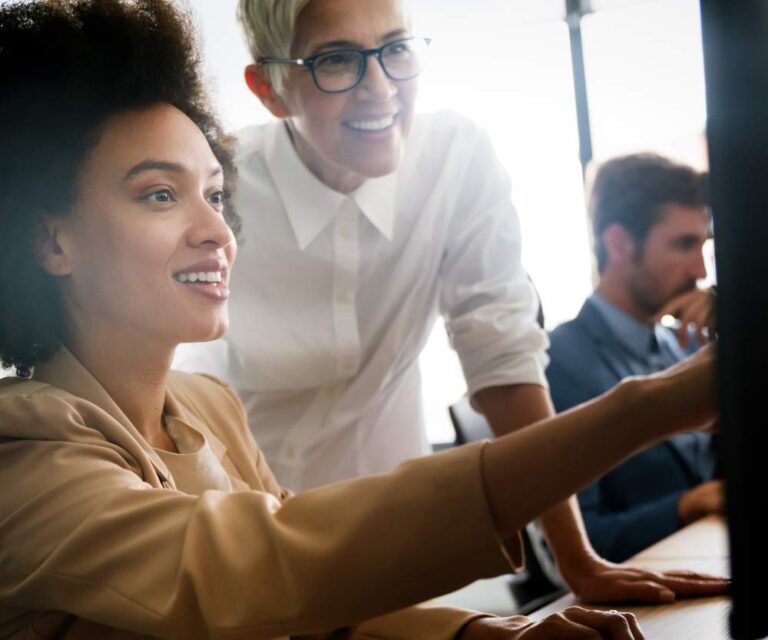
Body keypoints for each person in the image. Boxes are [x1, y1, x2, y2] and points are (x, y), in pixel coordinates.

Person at [0, 1, 725, 638]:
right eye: (160, 196)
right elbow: (271, 564)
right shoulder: (25, 452)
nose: (219, 233)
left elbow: (320, 599)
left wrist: (485, 633)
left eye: (216, 197)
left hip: (370, 560)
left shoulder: (204, 407)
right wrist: (649, 407)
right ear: (48, 240)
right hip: (338, 549)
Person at [547, 153, 721, 562]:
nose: (700, 268)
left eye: (703, 245)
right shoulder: (560, 361)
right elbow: (582, 541)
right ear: (619, 243)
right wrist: (688, 503)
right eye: (683, 244)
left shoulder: (684, 346)